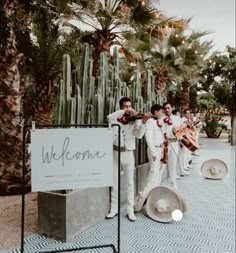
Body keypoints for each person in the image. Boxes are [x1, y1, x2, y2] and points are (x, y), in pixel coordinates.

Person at [106, 97, 148, 221]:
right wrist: (124, 112)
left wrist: (143, 122)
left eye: (130, 106)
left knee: (130, 183)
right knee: (114, 182)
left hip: (128, 153)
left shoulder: (134, 120)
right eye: (125, 106)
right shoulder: (115, 118)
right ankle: (114, 209)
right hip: (115, 152)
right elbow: (109, 117)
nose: (128, 108)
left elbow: (139, 135)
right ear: (121, 107)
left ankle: (130, 210)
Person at [134, 104, 165, 212]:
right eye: (161, 111)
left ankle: (150, 197)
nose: (162, 113)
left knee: (156, 175)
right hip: (154, 150)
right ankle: (140, 200)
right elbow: (148, 137)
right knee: (153, 174)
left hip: (160, 149)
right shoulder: (150, 122)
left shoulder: (158, 122)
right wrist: (153, 152)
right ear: (156, 112)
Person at [162, 102, 185, 189]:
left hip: (174, 143)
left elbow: (181, 131)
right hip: (165, 144)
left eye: (168, 108)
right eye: (165, 108)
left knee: (172, 165)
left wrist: (181, 138)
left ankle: (174, 186)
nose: (167, 110)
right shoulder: (161, 119)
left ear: (171, 108)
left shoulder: (177, 118)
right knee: (162, 166)